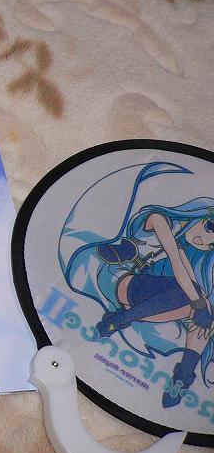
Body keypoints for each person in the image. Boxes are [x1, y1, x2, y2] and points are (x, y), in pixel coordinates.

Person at [63, 162, 214, 407]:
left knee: (200, 308)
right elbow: (176, 263)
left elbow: (189, 275)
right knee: (193, 298)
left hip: (142, 296)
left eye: (212, 244)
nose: (205, 240)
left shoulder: (180, 244)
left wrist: (204, 306)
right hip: (118, 279)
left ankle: (182, 377)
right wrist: (199, 302)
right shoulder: (159, 219)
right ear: (200, 214)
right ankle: (122, 318)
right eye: (211, 227)